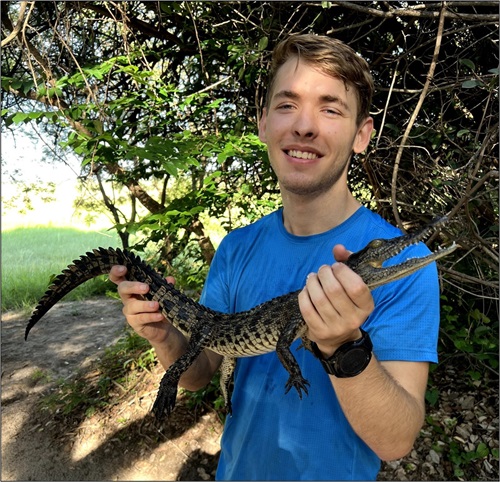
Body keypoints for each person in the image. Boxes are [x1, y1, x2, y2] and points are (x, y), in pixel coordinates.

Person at [109, 33, 440, 480]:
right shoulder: (236, 248)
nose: (304, 125)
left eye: (330, 108)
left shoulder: (409, 268)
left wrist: (345, 346)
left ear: (362, 135)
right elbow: (201, 371)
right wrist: (163, 334)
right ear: (263, 123)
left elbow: (397, 441)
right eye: (287, 104)